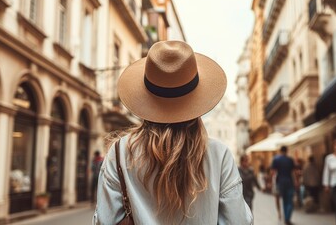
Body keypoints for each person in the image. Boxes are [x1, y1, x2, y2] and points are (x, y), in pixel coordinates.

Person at [92, 41, 253, 224]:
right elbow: (238, 221)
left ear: (146, 96)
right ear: (196, 98)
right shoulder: (219, 154)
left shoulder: (119, 153)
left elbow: (105, 221)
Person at [271, 146, 297, 225]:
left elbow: (273, 172)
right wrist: (296, 181)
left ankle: (286, 218)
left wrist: (272, 182)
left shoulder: (276, 159)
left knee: (285, 200)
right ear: (287, 151)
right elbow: (293, 172)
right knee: (290, 201)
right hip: (289, 182)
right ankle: (287, 218)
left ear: (280, 151)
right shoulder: (290, 160)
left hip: (280, 182)